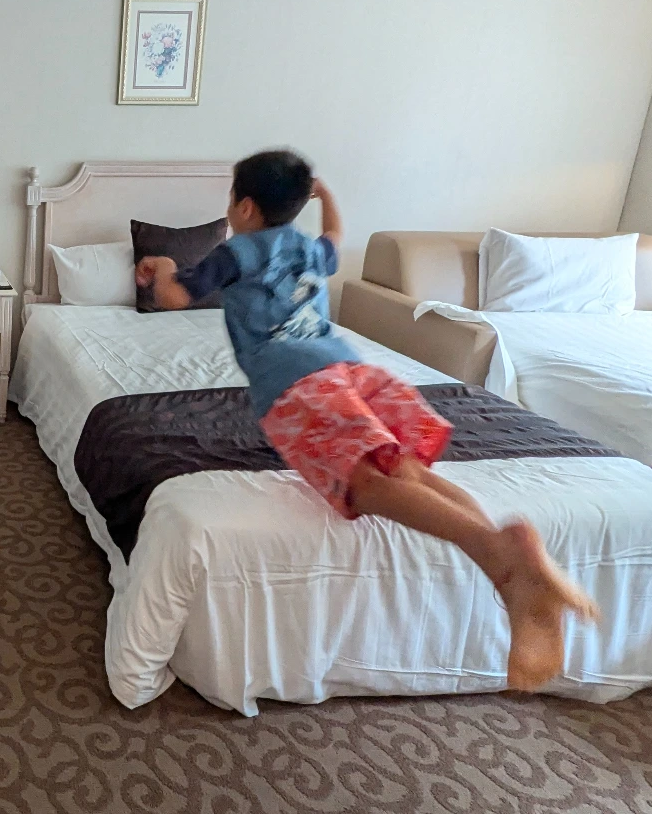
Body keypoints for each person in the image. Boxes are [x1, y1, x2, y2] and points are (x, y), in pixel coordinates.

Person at [135, 150, 598, 692]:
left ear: (244, 206)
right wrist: (326, 195)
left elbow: (172, 296)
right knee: (409, 475)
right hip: (354, 371)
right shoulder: (308, 249)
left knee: (365, 486)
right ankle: (508, 571)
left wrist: (163, 267)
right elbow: (335, 236)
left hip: (296, 386)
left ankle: (501, 553)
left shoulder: (236, 251)